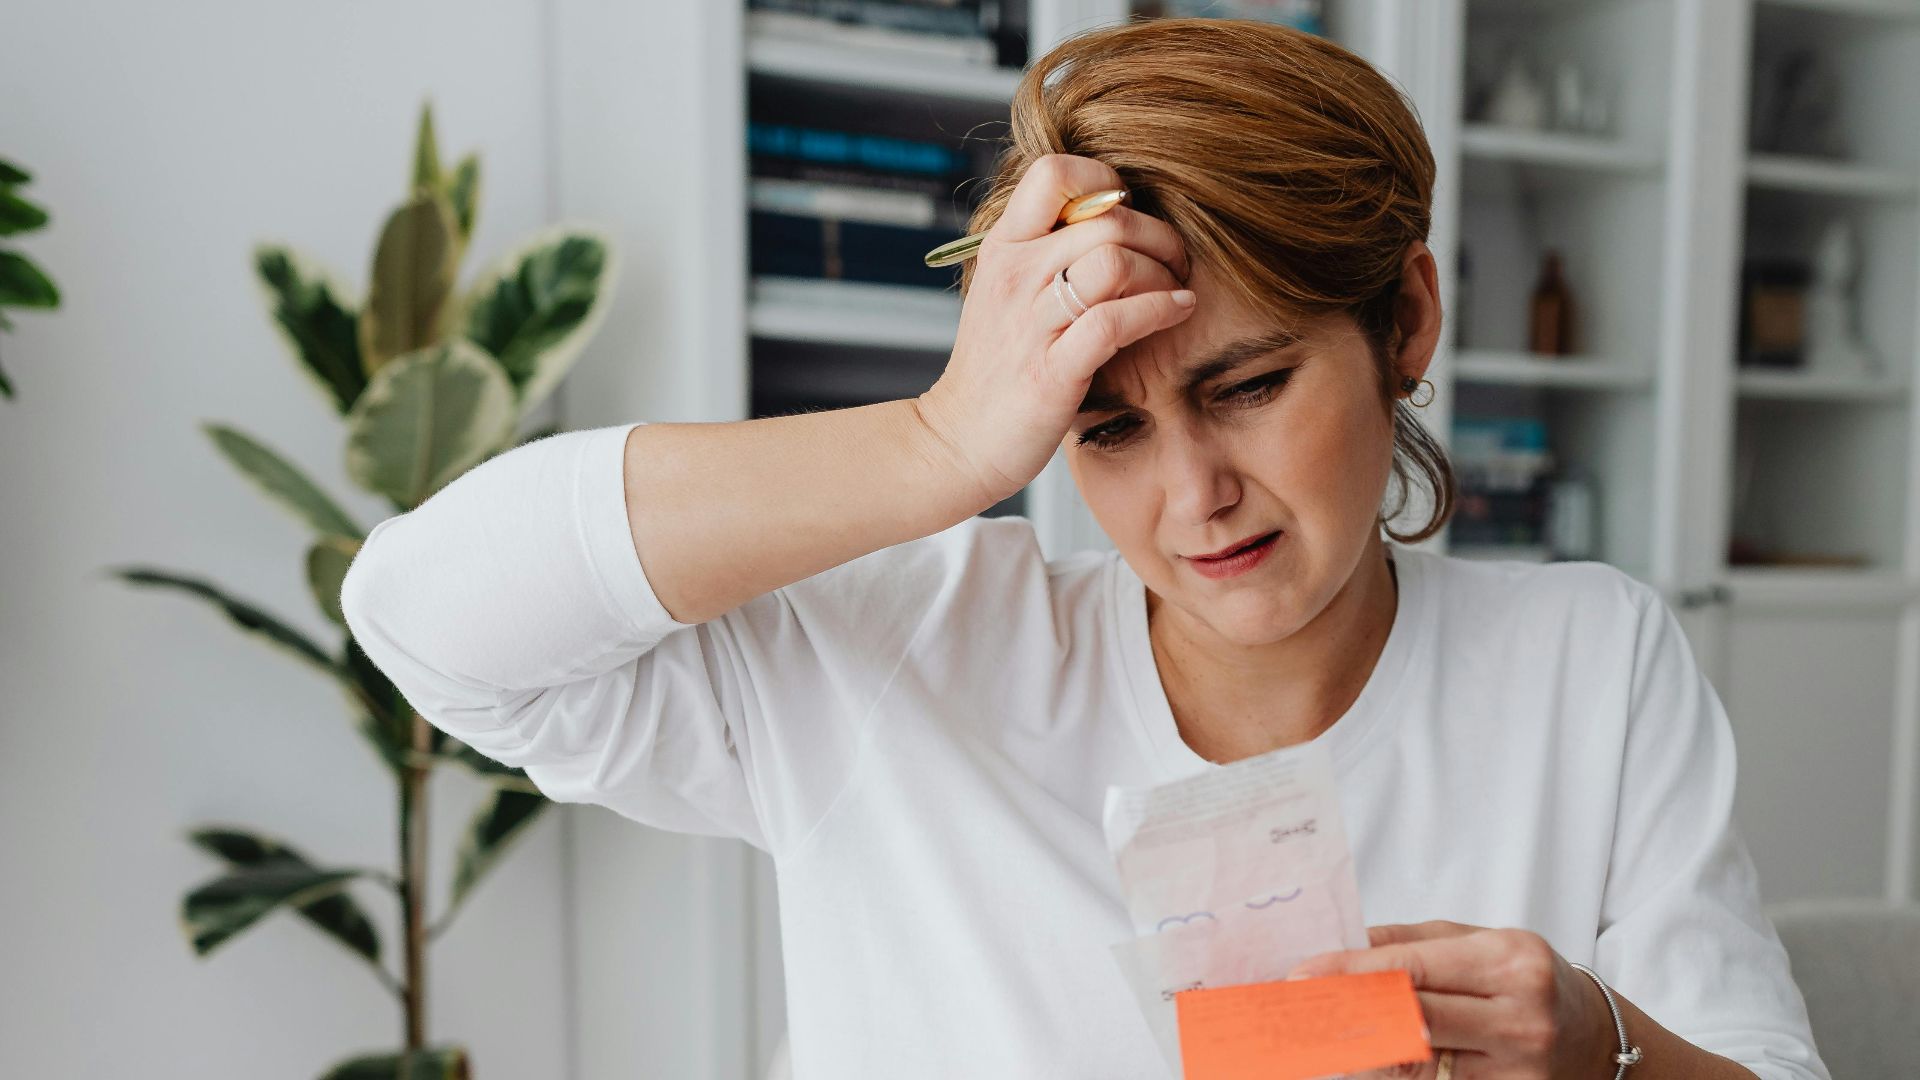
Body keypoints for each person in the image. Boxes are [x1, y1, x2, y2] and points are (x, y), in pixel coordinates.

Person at [340, 18, 1829, 1080]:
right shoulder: (902, 655)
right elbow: (422, 613)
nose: (1195, 498)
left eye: (1247, 388)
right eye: (1105, 428)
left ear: (1407, 322)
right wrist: (941, 446)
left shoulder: (1590, 660)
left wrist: (1606, 1050)